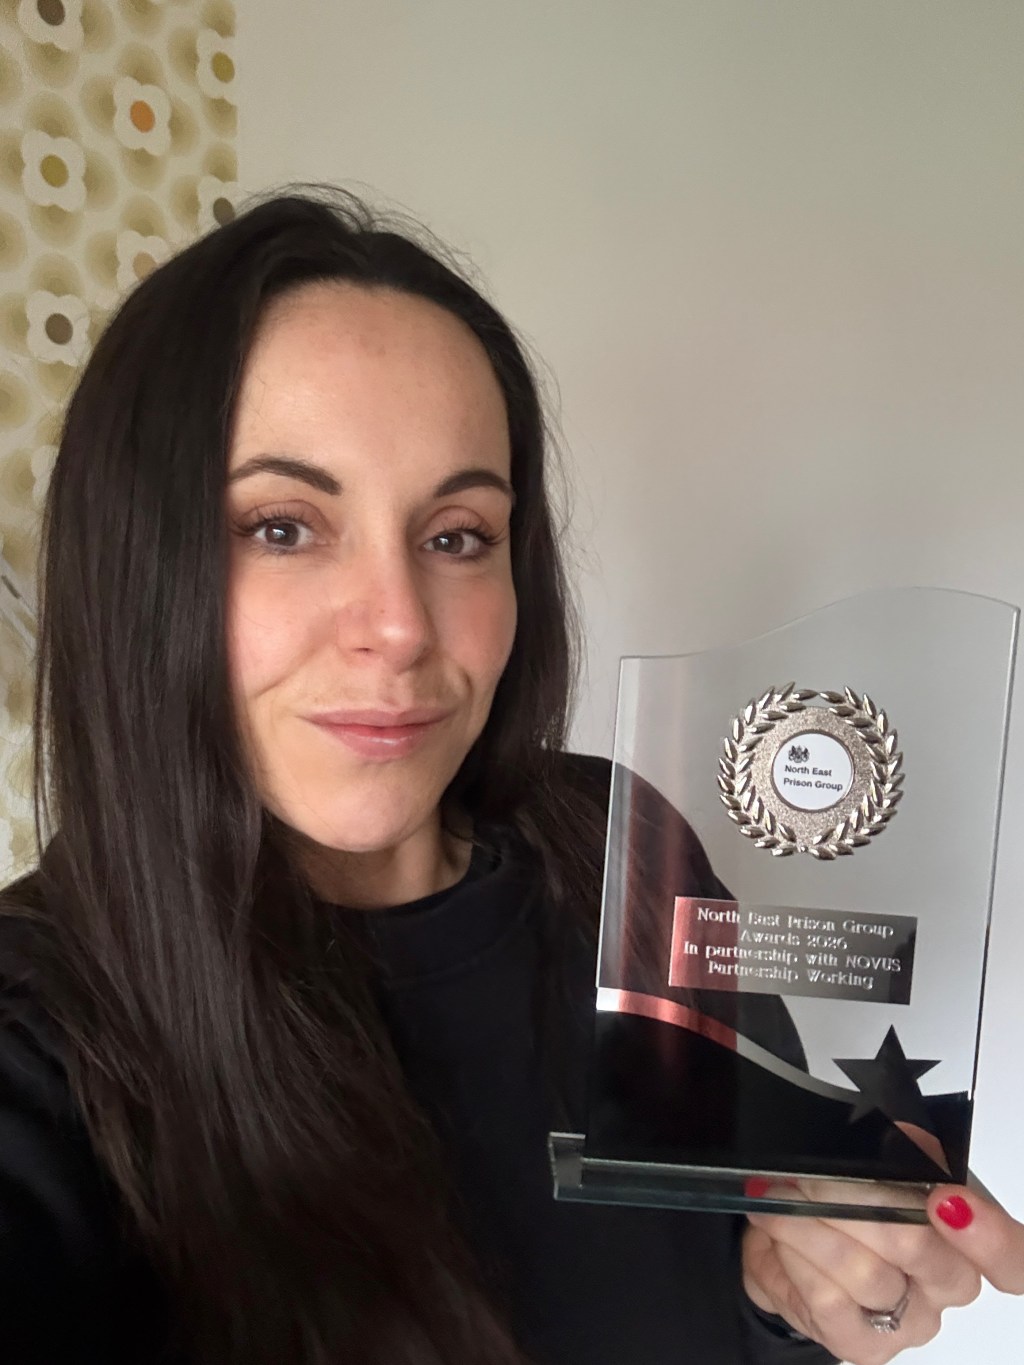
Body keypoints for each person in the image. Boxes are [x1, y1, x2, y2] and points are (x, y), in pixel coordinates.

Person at [0, 189, 1020, 1365]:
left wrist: (793, 1303)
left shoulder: (611, 839)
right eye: (282, 527)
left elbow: (740, 1273)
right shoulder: (39, 1039)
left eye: (455, 536)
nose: (399, 626)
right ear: (139, 564)